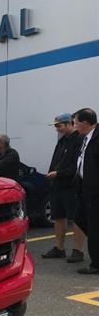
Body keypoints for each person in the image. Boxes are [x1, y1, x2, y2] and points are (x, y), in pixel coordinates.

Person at [41, 113, 85, 261]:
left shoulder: (79, 139)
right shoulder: (62, 141)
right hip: (57, 185)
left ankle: (78, 250)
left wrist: (58, 173)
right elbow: (55, 161)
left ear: (69, 123)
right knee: (58, 217)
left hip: (71, 186)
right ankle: (59, 248)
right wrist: (51, 176)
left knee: (76, 218)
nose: (57, 129)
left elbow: (77, 165)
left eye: (59, 126)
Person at [72, 108, 99, 274]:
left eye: (76, 123)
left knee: (94, 226)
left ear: (86, 123)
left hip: (95, 191)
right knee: (80, 218)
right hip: (84, 189)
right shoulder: (85, 138)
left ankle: (96, 264)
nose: (75, 126)